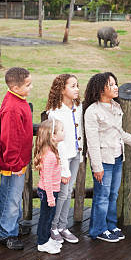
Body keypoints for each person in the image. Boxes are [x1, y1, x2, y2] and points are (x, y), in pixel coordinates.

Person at [83, 72, 131, 243]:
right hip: (103, 160)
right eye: (111, 84)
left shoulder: (116, 107)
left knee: (113, 194)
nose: (116, 87)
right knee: (102, 196)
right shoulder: (92, 111)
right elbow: (92, 142)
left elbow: (119, 132)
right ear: (101, 89)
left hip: (117, 157)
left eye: (116, 83)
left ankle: (110, 225)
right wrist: (97, 167)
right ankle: (98, 230)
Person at [0, 67, 33, 250]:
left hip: (19, 161)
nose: (31, 87)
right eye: (28, 84)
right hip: (13, 163)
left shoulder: (18, 100)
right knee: (11, 197)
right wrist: (14, 164)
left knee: (14, 196)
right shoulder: (12, 108)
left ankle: (12, 225)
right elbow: (10, 139)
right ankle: (5, 233)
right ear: (15, 88)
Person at [46, 74, 82, 244]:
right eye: (73, 86)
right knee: (62, 193)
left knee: (69, 193)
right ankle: (53, 226)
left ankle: (62, 226)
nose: (77, 89)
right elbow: (57, 144)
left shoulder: (78, 106)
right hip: (64, 159)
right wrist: (64, 169)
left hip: (76, 154)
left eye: (77, 85)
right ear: (62, 90)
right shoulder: (55, 113)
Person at [33, 119, 65, 254]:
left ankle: (46, 238)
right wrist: (50, 197)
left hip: (50, 191)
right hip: (48, 192)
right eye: (61, 130)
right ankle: (42, 242)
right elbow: (46, 179)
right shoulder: (50, 156)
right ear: (53, 136)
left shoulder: (51, 151)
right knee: (46, 217)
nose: (64, 132)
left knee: (49, 217)